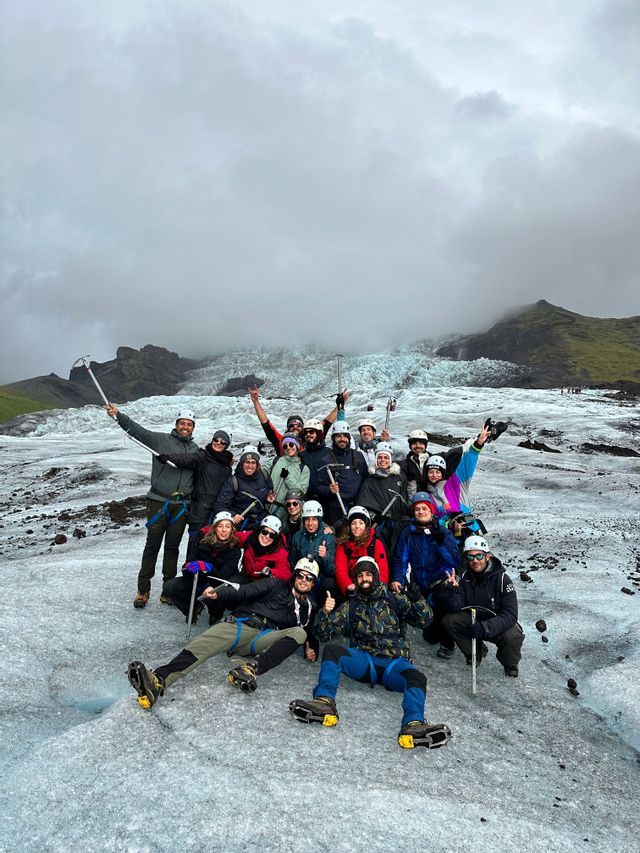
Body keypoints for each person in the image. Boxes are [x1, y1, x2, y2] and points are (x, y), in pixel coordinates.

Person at [289, 557, 452, 750]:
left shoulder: (394, 599)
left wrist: (418, 600)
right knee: (333, 651)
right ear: (355, 579)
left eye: (368, 574)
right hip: (365, 662)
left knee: (417, 677)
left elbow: (424, 621)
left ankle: (413, 724)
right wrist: (324, 612)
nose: (364, 579)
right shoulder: (351, 606)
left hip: (394, 663)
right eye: (359, 575)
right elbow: (324, 634)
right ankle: (324, 702)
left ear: (375, 576)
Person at [127, 558, 320, 708]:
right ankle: (158, 680)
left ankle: (251, 670)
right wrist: (220, 593)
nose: (304, 580)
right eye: (300, 575)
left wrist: (313, 647)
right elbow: (244, 591)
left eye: (309, 578)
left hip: (262, 638)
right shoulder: (275, 585)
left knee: (299, 633)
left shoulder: (310, 607)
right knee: (201, 646)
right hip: (240, 625)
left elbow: (309, 630)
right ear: (294, 576)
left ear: (313, 583)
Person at [105, 403, 199, 609]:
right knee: (152, 546)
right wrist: (119, 416)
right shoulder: (160, 440)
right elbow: (138, 432)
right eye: (182, 423)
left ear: (193, 427)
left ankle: (168, 590)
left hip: (181, 505)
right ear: (176, 424)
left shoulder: (195, 450)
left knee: (172, 548)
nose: (185, 427)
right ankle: (143, 590)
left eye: (189, 424)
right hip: (159, 502)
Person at [439, 536, 524, 677]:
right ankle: (475, 652)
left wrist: (485, 627)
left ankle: (510, 663)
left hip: (496, 621)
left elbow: (510, 615)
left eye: (479, 555)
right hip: (472, 618)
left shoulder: (503, 580)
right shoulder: (462, 575)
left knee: (513, 635)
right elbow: (456, 606)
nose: (475, 561)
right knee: (450, 620)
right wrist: (450, 590)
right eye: (470, 557)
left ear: (487, 556)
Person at [390, 493, 460, 658]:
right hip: (420, 584)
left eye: (425, 508)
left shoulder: (442, 532)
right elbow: (400, 558)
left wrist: (440, 540)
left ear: (431, 510)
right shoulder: (409, 532)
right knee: (430, 637)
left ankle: (448, 643)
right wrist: (398, 580)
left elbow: (454, 560)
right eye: (417, 509)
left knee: (446, 604)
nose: (421, 512)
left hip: (440, 583)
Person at [157, 429, 233, 558]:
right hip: (200, 510)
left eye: (222, 442)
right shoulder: (203, 456)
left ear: (226, 445)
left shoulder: (226, 464)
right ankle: (190, 571)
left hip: (216, 512)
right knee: (195, 542)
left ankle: (205, 573)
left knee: (212, 545)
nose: (218, 443)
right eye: (216, 439)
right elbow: (187, 459)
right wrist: (169, 458)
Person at [162, 511, 245, 625]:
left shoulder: (234, 550)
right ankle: (193, 608)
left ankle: (215, 613)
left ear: (232, 529)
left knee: (215, 597)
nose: (224, 530)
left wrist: (209, 568)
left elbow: (223, 576)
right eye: (220, 526)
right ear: (215, 528)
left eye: (227, 526)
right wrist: (189, 568)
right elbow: (186, 567)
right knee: (170, 587)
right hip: (199, 581)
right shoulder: (202, 542)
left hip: (219, 586)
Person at [248, 386, 349, 456]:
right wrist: (256, 402)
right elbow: (266, 423)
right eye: (292, 425)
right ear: (288, 428)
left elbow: (327, 422)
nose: (295, 427)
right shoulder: (281, 441)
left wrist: (340, 405)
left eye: (298, 425)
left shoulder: (310, 438)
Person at [424, 421, 491, 523]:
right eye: (431, 472)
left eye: (437, 472)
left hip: (468, 528)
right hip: (445, 534)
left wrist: (478, 443)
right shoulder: (427, 494)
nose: (434, 475)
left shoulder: (455, 481)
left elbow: (468, 462)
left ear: (443, 472)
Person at [356, 441, 408, 555]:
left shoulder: (399, 478)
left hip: (398, 525)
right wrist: (374, 516)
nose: (383, 460)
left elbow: (405, 501)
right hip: (380, 527)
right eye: (380, 457)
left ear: (390, 460)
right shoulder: (369, 481)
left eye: (386, 457)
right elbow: (364, 503)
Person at [316, 422, 368, 525]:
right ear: (334, 438)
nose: (342, 439)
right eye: (338, 436)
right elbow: (319, 487)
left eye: (345, 436)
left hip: (357, 506)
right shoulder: (326, 461)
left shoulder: (358, 456)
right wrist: (329, 489)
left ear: (349, 438)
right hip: (336, 508)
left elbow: (366, 480)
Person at [213, 445, 275, 529]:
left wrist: (268, 497)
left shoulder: (264, 475)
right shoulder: (233, 481)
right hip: (242, 524)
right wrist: (233, 515)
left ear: (257, 464)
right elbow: (219, 506)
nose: (250, 466)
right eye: (247, 462)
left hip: (260, 520)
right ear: (242, 463)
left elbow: (269, 489)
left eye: (253, 462)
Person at [334, 506, 389, 598]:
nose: (357, 526)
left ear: (366, 526)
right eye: (354, 523)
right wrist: (348, 585)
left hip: (372, 585)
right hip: (353, 586)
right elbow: (340, 569)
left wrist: (380, 588)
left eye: (361, 523)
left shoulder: (376, 544)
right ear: (349, 526)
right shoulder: (343, 545)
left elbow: (383, 569)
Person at [289, 500, 337, 596]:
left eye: (314, 519)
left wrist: (325, 556)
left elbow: (331, 571)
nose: (310, 523)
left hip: (318, 580)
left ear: (319, 520)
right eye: (307, 519)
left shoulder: (328, 537)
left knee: (330, 583)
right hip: (301, 577)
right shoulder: (297, 537)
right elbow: (292, 562)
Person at [262, 436, 310, 520]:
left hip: (285, 510)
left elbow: (301, 492)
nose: (288, 448)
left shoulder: (304, 469)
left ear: (297, 446)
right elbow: (261, 472)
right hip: (265, 505)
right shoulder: (276, 460)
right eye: (285, 446)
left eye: (291, 445)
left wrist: (287, 477)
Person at [236, 515, 292, 581]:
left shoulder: (280, 552)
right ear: (259, 530)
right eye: (264, 532)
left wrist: (271, 572)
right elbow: (231, 536)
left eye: (272, 535)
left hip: (262, 583)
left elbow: (286, 574)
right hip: (244, 575)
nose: (267, 537)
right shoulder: (249, 537)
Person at [399, 429, 431, 499]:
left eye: (421, 443)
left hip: (432, 502)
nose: (418, 446)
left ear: (425, 445)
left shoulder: (433, 461)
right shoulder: (404, 464)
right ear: (410, 446)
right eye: (414, 443)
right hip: (413, 502)